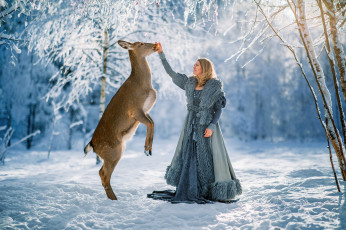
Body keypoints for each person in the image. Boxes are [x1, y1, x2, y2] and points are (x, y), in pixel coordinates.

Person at [148, 42, 242, 203]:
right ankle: (191, 186)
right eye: (194, 64)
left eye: (197, 65)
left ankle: (208, 189)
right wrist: (161, 54)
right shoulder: (189, 83)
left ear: (204, 68)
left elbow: (218, 109)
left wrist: (211, 126)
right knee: (188, 153)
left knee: (207, 156)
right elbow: (171, 73)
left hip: (207, 125)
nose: (194, 66)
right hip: (190, 123)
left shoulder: (214, 87)